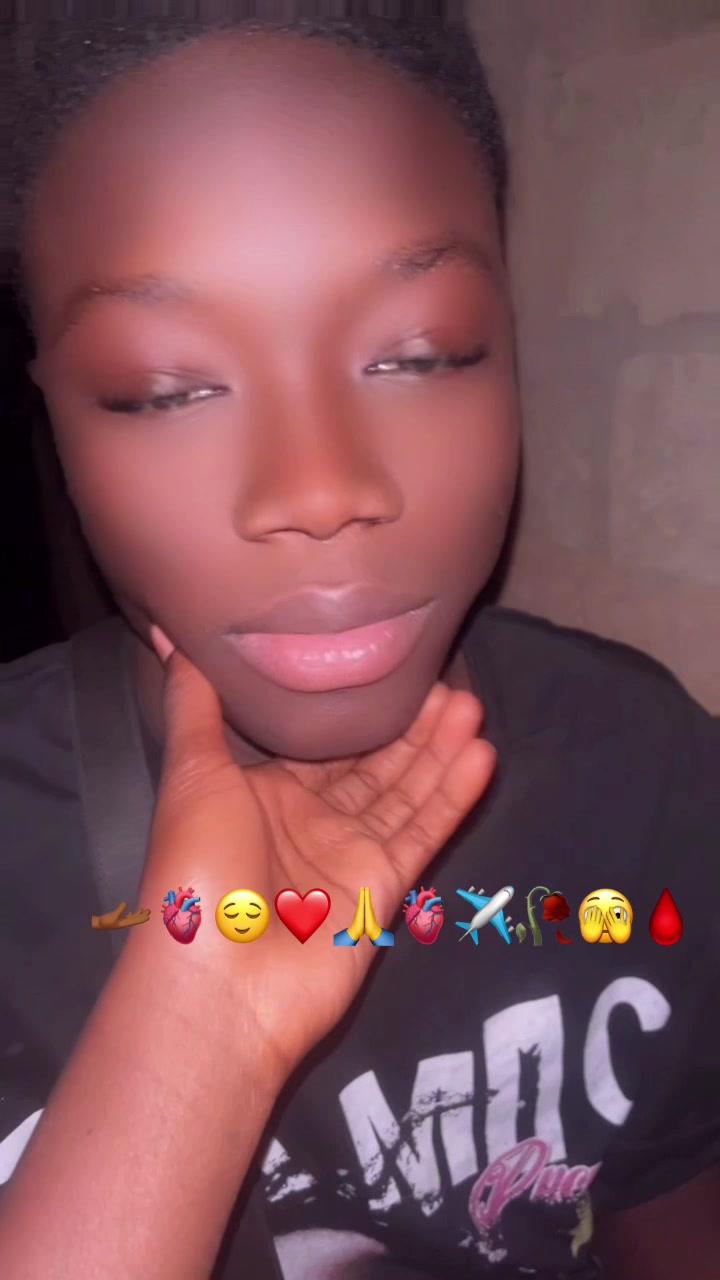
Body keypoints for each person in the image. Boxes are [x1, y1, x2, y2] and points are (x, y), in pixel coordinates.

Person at [0, 14, 718, 1280]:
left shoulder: (646, 768)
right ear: (51, 404)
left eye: (421, 351)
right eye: (165, 387)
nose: (321, 488)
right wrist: (199, 1034)